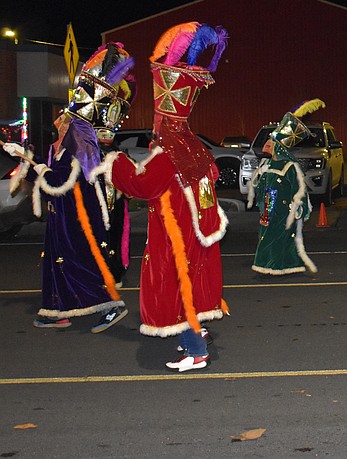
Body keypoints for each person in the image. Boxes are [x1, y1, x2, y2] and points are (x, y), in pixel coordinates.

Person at [92, 22, 230, 372]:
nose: (154, 129)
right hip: (197, 233)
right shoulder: (195, 148)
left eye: (157, 123)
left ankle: (195, 350)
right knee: (193, 287)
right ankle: (200, 336)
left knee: (175, 292)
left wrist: (113, 161)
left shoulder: (169, 152)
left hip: (175, 238)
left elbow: (143, 185)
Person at [2, 43, 133, 332]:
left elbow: (55, 183)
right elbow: (50, 175)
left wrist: (29, 162)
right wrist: (25, 157)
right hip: (63, 222)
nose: (58, 125)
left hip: (78, 223)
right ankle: (56, 310)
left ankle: (112, 306)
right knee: (59, 265)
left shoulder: (76, 153)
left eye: (63, 123)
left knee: (82, 264)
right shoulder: (64, 152)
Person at [247, 106, 320, 276]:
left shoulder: (290, 167)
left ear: (278, 148)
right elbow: (259, 185)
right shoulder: (266, 165)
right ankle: (269, 265)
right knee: (266, 236)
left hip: (283, 210)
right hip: (268, 208)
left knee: (280, 237)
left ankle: (277, 266)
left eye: (271, 143)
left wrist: (297, 207)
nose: (267, 144)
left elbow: (299, 189)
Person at [94, 72, 137, 289]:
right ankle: (96, 275)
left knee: (115, 238)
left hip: (117, 205)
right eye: (102, 131)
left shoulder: (120, 155)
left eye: (110, 132)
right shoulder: (88, 156)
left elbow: (132, 179)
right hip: (95, 204)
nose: (107, 136)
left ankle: (115, 273)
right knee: (96, 237)